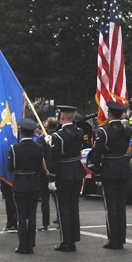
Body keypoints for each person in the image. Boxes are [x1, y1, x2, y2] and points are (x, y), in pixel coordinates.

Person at [93, 102, 132, 250]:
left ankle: (113, 239)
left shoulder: (104, 131)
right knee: (120, 205)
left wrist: (96, 173)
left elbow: (98, 153)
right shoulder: (127, 129)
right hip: (123, 166)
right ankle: (121, 238)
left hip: (110, 168)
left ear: (109, 114)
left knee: (111, 206)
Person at [49, 105, 86, 252]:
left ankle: (66, 241)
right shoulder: (79, 132)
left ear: (62, 117)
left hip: (64, 172)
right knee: (73, 207)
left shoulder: (58, 136)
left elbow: (55, 159)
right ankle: (74, 238)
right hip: (76, 170)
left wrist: (51, 178)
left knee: (63, 208)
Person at [8, 118, 48, 254]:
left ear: (21, 131)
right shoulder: (39, 148)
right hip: (33, 183)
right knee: (31, 215)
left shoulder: (14, 148)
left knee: (21, 215)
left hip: (20, 183)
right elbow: (39, 168)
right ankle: (30, 244)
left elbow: (10, 168)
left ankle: (22, 244)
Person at [36, 117, 58, 231]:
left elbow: (40, 156)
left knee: (45, 198)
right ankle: (60, 219)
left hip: (45, 171)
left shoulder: (42, 138)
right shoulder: (59, 137)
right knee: (58, 197)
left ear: (46, 126)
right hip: (57, 171)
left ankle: (45, 223)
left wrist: (45, 171)